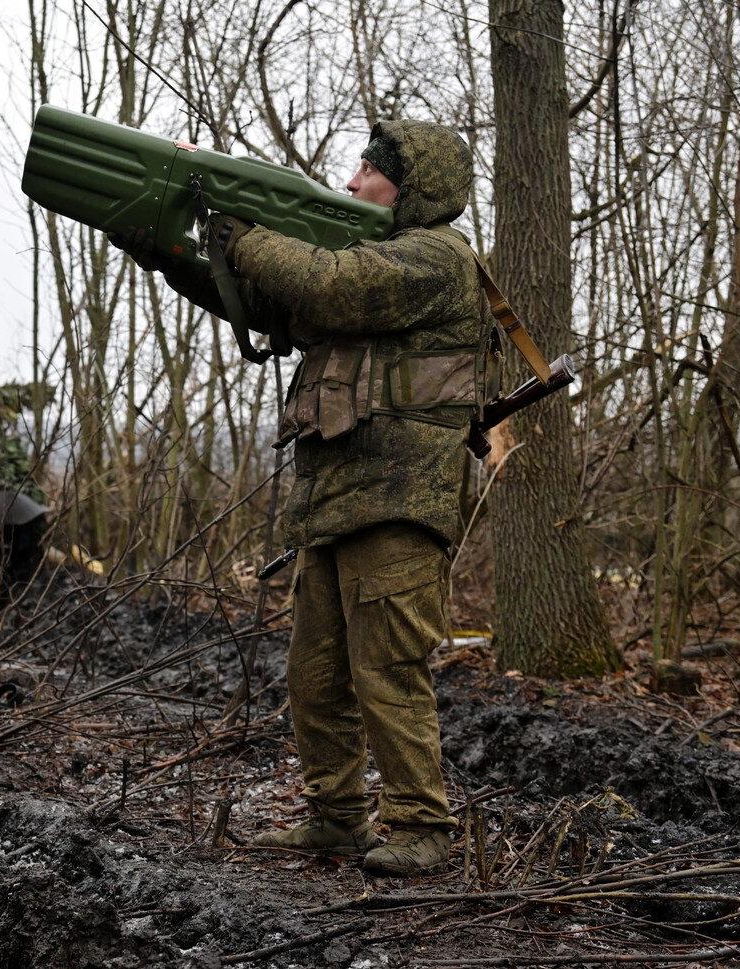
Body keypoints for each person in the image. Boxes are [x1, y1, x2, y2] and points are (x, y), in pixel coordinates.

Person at [112, 120, 496, 875]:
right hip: (337, 499)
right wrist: (163, 250)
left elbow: (329, 283)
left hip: (400, 499)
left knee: (387, 667)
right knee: (315, 673)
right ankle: (337, 816)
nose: (352, 181)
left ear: (410, 188)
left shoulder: (437, 259)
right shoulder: (366, 262)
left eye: (369, 170)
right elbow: (262, 299)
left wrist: (246, 231)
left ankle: (422, 826)